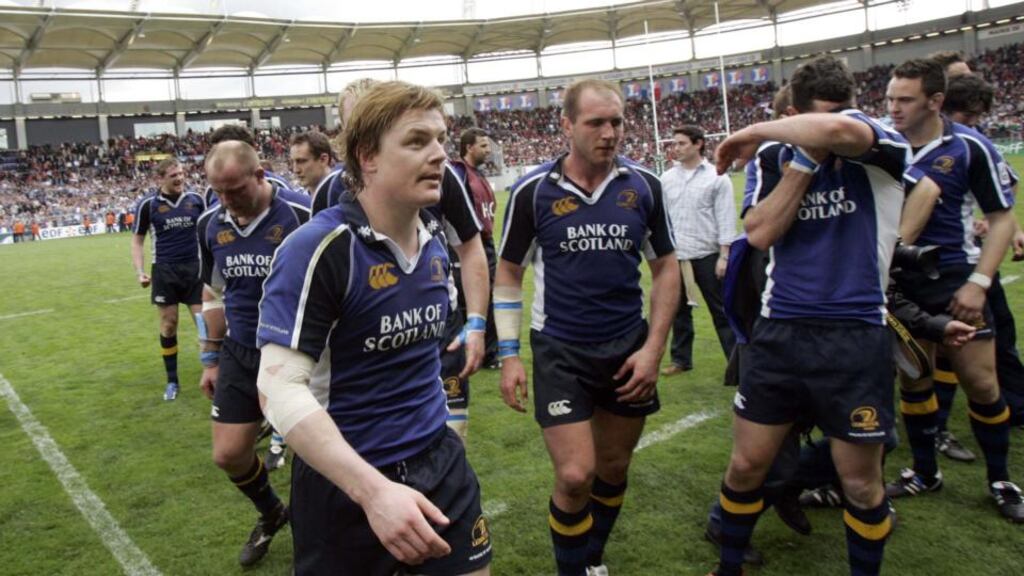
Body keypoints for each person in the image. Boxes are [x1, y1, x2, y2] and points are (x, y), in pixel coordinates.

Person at [709, 55, 933, 576]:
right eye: (812, 120)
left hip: (854, 335)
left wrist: (753, 129)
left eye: (841, 114)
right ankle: (728, 568)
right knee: (746, 466)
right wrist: (802, 162)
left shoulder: (880, 144)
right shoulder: (774, 158)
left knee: (858, 482)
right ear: (796, 113)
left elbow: (836, 129)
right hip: (780, 331)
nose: (832, 128)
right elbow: (760, 233)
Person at [256, 81, 492, 576]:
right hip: (345, 484)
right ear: (367, 157)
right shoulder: (318, 249)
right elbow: (276, 388)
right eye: (416, 141)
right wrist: (374, 491)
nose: (439, 155)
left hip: (440, 461)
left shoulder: (432, 246)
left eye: (441, 140)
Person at [495, 78, 679, 576]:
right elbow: (508, 271)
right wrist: (510, 353)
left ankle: (591, 557)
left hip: (628, 349)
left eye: (616, 121)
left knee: (614, 467)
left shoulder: (644, 186)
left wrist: (654, 348)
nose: (609, 132)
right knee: (577, 475)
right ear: (567, 125)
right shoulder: (533, 191)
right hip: (561, 350)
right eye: (596, 122)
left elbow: (666, 267)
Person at [883, 58, 1023, 521]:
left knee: (981, 383)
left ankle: (1001, 479)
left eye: (905, 99)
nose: (894, 108)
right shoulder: (882, 143)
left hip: (955, 281)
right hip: (900, 284)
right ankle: (924, 471)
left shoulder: (969, 147)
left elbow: (1002, 217)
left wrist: (980, 284)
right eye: (890, 99)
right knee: (915, 379)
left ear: (935, 101)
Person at [315, 77, 492, 438]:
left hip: (439, 328)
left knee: (451, 441)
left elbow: (471, 246)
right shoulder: (329, 193)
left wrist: (475, 322)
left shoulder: (442, 177)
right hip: (367, 343)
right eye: (357, 123)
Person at [197, 140, 310, 567]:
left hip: (297, 351)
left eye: (235, 190)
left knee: (312, 452)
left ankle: (320, 526)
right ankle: (271, 512)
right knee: (228, 454)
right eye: (218, 191)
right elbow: (212, 290)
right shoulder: (211, 224)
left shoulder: (301, 213)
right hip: (241, 351)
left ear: (260, 175)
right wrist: (210, 357)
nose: (227, 201)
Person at [660, 124, 736, 376]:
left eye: (681, 143)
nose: (676, 148)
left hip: (707, 255)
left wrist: (724, 255)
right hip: (677, 256)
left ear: (698, 144)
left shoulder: (717, 177)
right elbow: (664, 218)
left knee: (722, 312)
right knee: (677, 311)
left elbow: (726, 218)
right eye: (674, 143)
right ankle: (681, 360)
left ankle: (736, 362)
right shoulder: (667, 178)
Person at [131, 157, 206, 401]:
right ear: (160, 178)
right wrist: (140, 271)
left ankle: (214, 372)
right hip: (164, 271)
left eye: (182, 173)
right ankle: (172, 381)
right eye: (174, 175)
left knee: (204, 325)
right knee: (168, 324)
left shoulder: (196, 200)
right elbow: (138, 240)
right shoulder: (148, 205)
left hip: (195, 269)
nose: (180, 178)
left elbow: (208, 233)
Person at [290, 131, 342, 201]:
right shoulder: (297, 200)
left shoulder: (346, 197)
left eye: (301, 161)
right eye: (292, 162)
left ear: (323, 159)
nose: (295, 170)